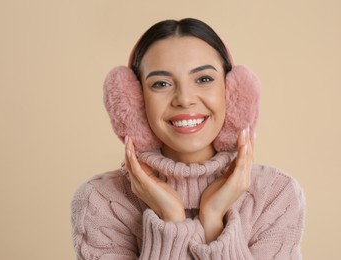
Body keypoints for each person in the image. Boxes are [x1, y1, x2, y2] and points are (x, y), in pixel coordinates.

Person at [71, 18, 305, 259]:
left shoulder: (275, 194)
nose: (184, 99)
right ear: (135, 101)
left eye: (204, 79)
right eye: (161, 83)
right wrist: (170, 219)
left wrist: (214, 221)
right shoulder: (100, 200)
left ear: (233, 92)